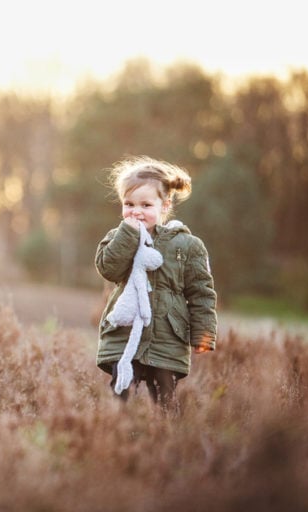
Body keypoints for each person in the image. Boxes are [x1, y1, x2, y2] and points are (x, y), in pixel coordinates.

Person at [94, 156, 217, 411]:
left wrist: (203, 334)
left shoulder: (188, 245)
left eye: (146, 204)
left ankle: (162, 441)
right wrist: (128, 234)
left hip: (167, 338)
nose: (136, 211)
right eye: (129, 204)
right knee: (122, 393)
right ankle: (121, 438)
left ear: (165, 205)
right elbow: (109, 268)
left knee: (164, 400)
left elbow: (201, 293)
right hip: (125, 337)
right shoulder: (117, 238)